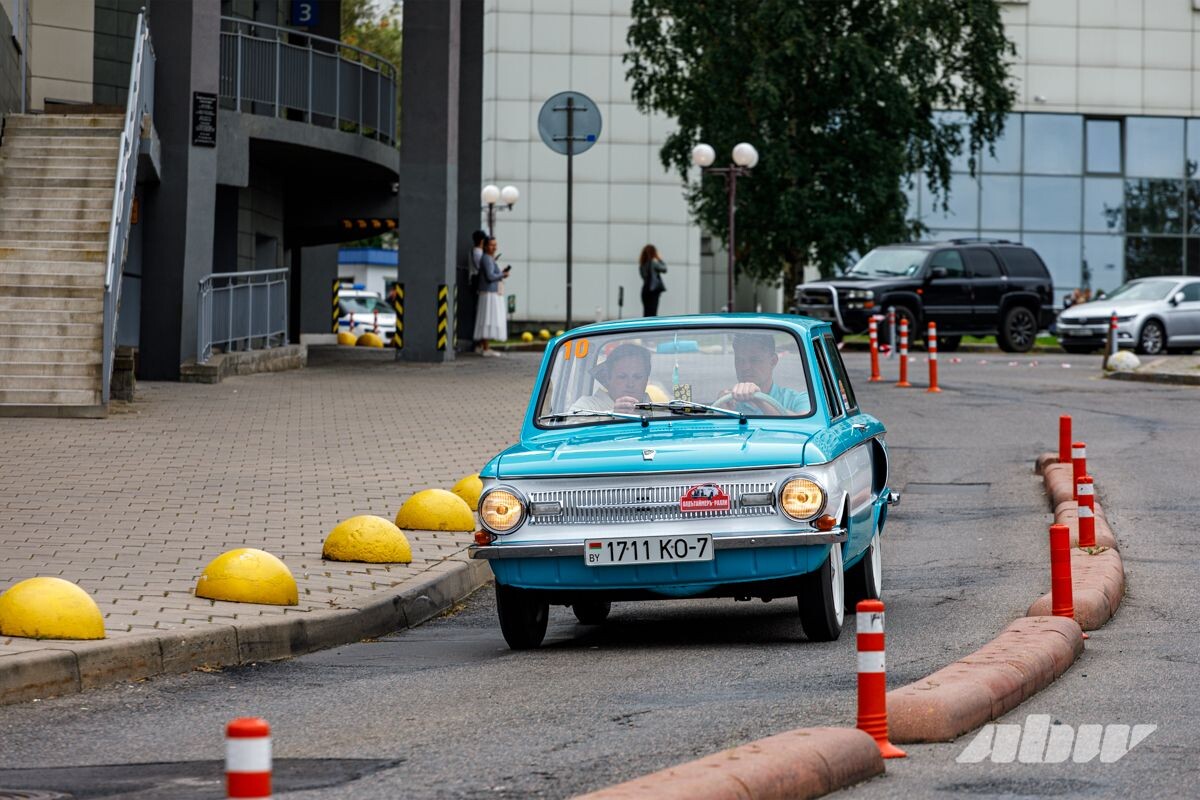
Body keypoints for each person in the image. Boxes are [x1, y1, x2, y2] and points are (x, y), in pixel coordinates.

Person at [723, 333, 810, 414]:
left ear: (773, 361)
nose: (745, 367)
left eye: (755, 360)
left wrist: (759, 399)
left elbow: (808, 426)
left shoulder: (797, 400)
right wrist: (719, 411)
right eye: (739, 360)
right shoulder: (727, 402)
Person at [570, 343, 652, 412]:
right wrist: (613, 416)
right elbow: (571, 427)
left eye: (637, 377)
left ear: (646, 380)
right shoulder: (586, 406)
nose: (630, 384)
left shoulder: (659, 410)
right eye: (622, 377)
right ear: (608, 378)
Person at [474, 236, 510, 357]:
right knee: (487, 319)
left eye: (495, 245)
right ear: (485, 246)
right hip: (489, 293)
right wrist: (502, 275)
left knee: (487, 319)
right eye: (491, 245)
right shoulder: (487, 259)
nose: (494, 247)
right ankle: (485, 347)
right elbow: (490, 276)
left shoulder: (488, 258)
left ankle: (482, 345)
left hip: (489, 292)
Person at [638, 245, 668, 316]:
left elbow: (643, 277)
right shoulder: (653, 262)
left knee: (646, 313)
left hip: (645, 291)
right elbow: (664, 269)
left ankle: (645, 327)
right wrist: (659, 259)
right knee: (653, 314)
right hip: (653, 291)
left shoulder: (642, 265)